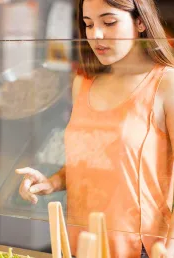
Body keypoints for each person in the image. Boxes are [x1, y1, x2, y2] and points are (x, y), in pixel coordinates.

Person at [16, 0, 174, 257]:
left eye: (109, 22)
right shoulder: (84, 83)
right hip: (81, 241)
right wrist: (51, 182)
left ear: (141, 22)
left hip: (142, 246)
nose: (96, 35)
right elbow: (90, 161)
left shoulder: (166, 83)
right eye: (88, 25)